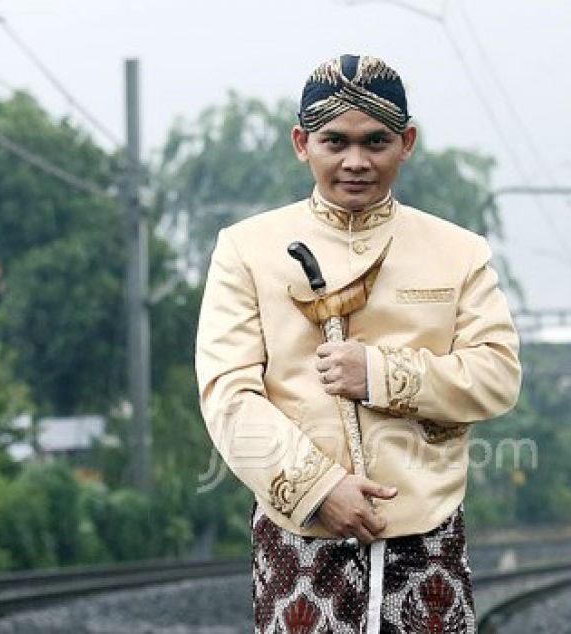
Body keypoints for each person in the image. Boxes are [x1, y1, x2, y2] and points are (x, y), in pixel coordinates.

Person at [196, 53, 521, 634]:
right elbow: (228, 395)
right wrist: (320, 490)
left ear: (407, 142)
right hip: (297, 532)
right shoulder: (246, 249)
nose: (355, 162)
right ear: (302, 143)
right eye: (334, 142)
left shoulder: (460, 252)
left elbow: (496, 376)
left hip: (428, 530)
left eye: (376, 141)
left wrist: (378, 373)